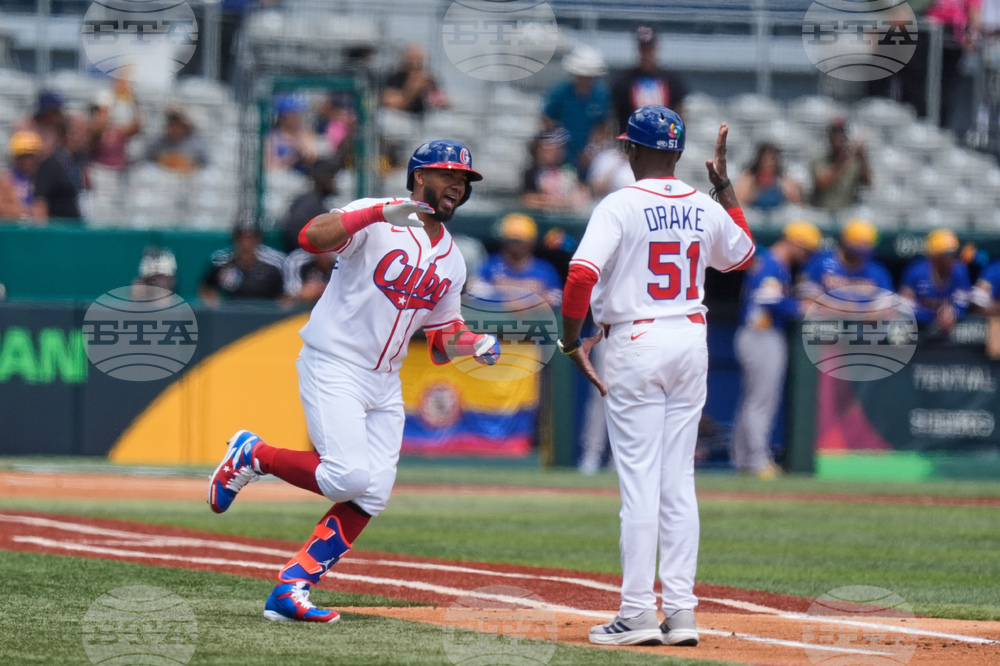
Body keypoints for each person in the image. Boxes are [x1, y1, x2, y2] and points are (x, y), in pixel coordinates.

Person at [206, 140, 500, 624]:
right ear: (419, 176)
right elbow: (311, 237)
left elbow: (444, 333)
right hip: (335, 361)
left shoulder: (452, 257)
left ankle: (292, 587)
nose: (458, 187)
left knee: (372, 493)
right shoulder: (374, 213)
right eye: (449, 176)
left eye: (465, 181)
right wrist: (380, 211)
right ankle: (253, 455)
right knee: (345, 476)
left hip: (385, 379)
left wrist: (475, 343)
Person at [559, 107, 755, 647]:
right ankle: (684, 612)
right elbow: (742, 257)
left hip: (637, 341)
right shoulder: (701, 202)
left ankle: (638, 612)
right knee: (679, 483)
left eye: (628, 146)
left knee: (640, 485)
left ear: (633, 151)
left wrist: (571, 339)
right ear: (677, 152)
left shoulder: (620, 202)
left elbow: (580, 273)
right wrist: (727, 192)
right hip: (690, 337)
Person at [732, 221, 822, 480]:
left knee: (752, 401)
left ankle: (744, 460)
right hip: (762, 334)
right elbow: (768, 300)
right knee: (761, 402)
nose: (806, 257)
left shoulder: (774, 263)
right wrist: (799, 308)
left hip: (758, 335)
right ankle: (757, 461)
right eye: (805, 250)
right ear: (794, 242)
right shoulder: (772, 262)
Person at [542, 45, 611, 173]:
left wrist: (591, 150)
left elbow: (602, 127)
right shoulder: (560, 92)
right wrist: (557, 144)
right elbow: (546, 119)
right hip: (561, 154)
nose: (585, 79)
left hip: (587, 158)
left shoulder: (600, 95)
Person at [470, 213, 562, 308]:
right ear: (503, 241)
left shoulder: (545, 269)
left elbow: (557, 298)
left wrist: (538, 302)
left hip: (534, 320)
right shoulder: (489, 265)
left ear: (531, 243)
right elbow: (475, 293)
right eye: (512, 241)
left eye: (521, 241)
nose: (516, 246)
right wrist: (504, 300)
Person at [611, 25, 688, 135]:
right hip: (632, 145)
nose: (646, 54)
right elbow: (615, 116)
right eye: (643, 49)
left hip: (664, 144)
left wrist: (676, 139)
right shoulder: (623, 81)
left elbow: (679, 114)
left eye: (649, 49)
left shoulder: (671, 81)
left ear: (656, 48)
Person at [798, 219, 893, 301]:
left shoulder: (877, 271)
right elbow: (806, 301)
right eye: (858, 244)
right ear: (845, 240)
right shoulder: (820, 263)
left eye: (866, 245)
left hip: (863, 321)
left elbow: (887, 306)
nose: (862, 249)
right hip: (827, 320)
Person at [900, 228, 971, 334]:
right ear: (934, 256)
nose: (951, 259)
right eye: (947, 254)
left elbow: (962, 303)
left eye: (954, 254)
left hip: (950, 328)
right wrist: (933, 315)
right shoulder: (916, 271)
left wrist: (953, 313)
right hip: (918, 329)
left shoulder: (960, 271)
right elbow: (904, 307)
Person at [199, 222, 286, 305]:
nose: (246, 244)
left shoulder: (271, 269)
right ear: (235, 240)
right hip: (230, 314)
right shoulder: (222, 264)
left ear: (258, 241)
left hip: (263, 314)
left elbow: (283, 297)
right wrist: (215, 304)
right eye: (241, 238)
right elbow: (206, 288)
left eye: (251, 239)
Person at [279, 157, 342, 252]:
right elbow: (293, 232)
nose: (334, 182)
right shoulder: (308, 203)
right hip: (305, 253)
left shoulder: (318, 200)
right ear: (322, 179)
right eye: (332, 177)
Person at [809, 119, 871, 212]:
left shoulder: (854, 163)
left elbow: (867, 182)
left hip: (847, 212)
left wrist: (862, 155)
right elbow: (821, 183)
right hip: (822, 211)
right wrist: (841, 162)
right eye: (835, 139)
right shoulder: (819, 161)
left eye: (841, 139)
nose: (838, 143)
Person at [521, 129, 590, 212]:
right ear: (538, 149)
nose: (555, 151)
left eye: (558, 148)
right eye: (549, 148)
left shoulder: (569, 169)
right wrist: (557, 202)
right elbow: (528, 199)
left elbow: (582, 196)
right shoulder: (531, 173)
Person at [33, 120, 83, 222]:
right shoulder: (51, 164)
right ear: (68, 135)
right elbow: (41, 202)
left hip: (76, 226)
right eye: (78, 133)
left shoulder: (76, 161)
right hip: (60, 228)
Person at [381, 44, 448, 116]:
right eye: (411, 61)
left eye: (419, 61)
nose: (415, 64)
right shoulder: (394, 79)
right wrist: (412, 88)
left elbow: (443, 104)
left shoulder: (429, 80)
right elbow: (391, 104)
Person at [89, 84, 142, 172]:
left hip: (118, 173)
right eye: (100, 111)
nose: (102, 115)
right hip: (98, 173)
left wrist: (132, 100)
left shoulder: (117, 130)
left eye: (105, 111)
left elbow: (137, 126)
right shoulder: (91, 131)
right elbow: (97, 131)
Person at [735, 143, 802, 211]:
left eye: (772, 159)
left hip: (777, 215)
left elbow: (797, 203)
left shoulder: (783, 179)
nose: (768, 162)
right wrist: (757, 188)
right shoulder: (749, 177)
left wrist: (786, 188)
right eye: (765, 159)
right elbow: (740, 201)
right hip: (754, 214)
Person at [145, 104, 208, 173]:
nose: (173, 129)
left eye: (177, 126)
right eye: (171, 125)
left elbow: (205, 167)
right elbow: (146, 163)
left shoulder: (197, 145)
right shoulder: (157, 143)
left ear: (186, 127)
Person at [266, 95, 317, 173]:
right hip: (281, 178)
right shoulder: (273, 136)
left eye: (298, 114)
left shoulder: (305, 134)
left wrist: (301, 144)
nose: (296, 118)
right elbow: (269, 165)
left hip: (303, 177)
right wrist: (291, 159)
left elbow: (312, 157)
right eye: (292, 114)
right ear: (283, 117)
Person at [0, 131, 44, 221]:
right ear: (15, 157)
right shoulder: (6, 179)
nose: (27, 161)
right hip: (13, 228)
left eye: (30, 156)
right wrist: (25, 212)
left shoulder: (44, 178)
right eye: (22, 156)